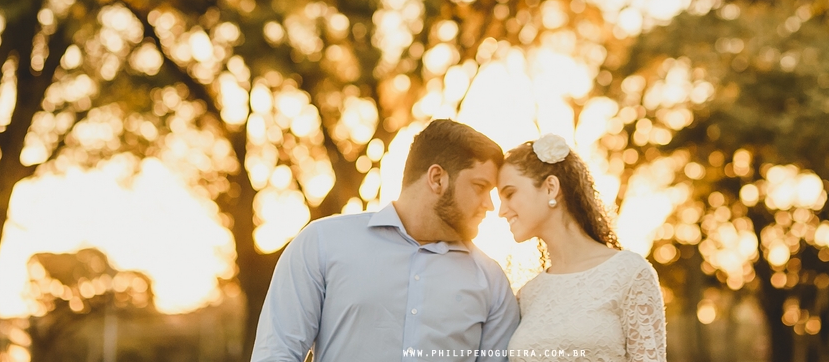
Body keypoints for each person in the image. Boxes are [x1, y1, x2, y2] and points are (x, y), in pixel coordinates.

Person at [250, 119, 520, 362]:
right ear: (437, 179)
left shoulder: (492, 282)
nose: (489, 205)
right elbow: (276, 353)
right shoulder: (321, 243)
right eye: (480, 187)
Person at [498, 134, 666, 361]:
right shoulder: (528, 295)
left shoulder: (629, 273)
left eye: (509, 193)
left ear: (550, 188)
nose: (502, 211)